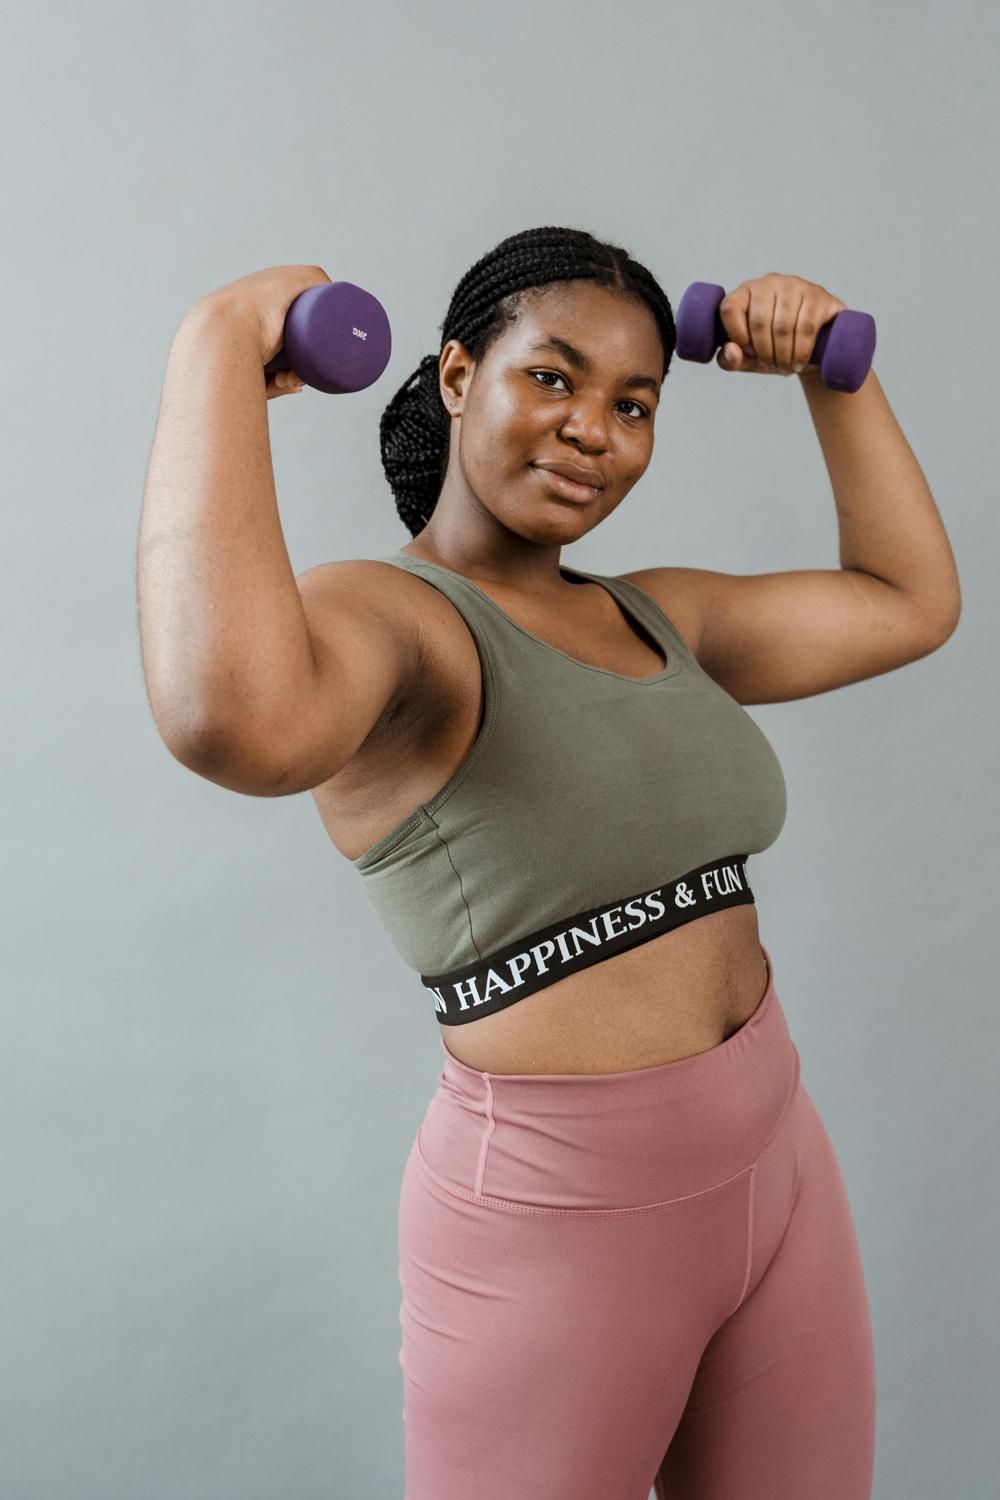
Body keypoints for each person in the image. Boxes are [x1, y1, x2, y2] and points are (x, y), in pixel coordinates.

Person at [138, 227, 962, 1500]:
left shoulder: (657, 614)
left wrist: (831, 374)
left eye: (634, 404)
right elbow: (227, 720)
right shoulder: (395, 622)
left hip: (779, 1160)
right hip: (558, 1217)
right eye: (552, 378)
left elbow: (907, 600)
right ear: (457, 374)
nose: (593, 430)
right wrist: (214, 351)